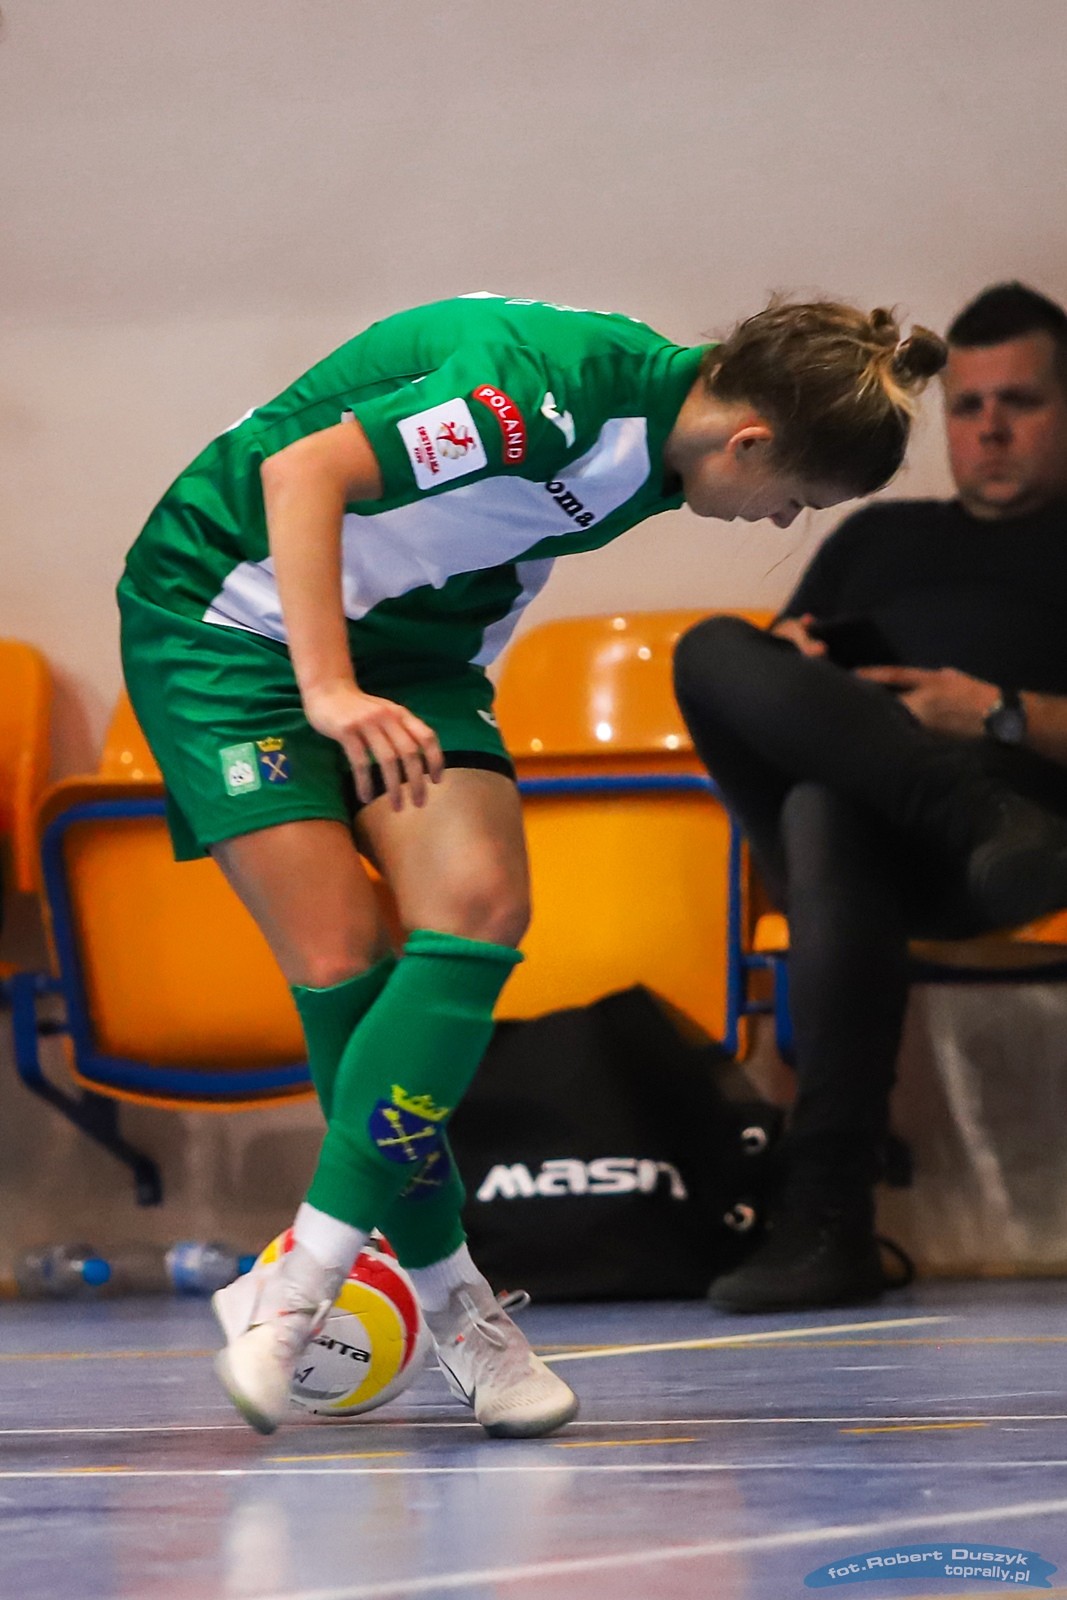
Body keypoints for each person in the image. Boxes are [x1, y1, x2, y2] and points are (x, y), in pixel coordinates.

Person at [119, 288, 945, 1437]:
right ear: (750, 441)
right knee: (342, 953)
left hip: (415, 645)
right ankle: (449, 1303)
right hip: (227, 616)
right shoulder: (536, 393)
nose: (774, 524)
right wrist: (328, 689)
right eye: (791, 500)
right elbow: (302, 473)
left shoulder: (671, 450)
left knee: (480, 907)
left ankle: (302, 1283)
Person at [673, 281, 1067, 1314]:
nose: (987, 427)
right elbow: (773, 680)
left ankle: (827, 1215)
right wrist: (806, 665)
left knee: (825, 811)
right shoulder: (876, 537)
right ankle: (963, 805)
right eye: (967, 405)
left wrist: (993, 712)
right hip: (891, 829)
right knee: (712, 652)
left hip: (1022, 856)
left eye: (1019, 402)